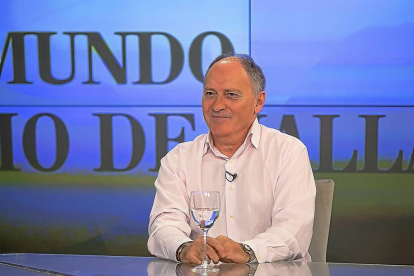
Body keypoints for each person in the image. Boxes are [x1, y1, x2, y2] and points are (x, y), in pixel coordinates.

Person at [147, 53, 316, 264]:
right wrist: (184, 248)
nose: (217, 105)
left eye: (231, 95)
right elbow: (163, 225)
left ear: (259, 102)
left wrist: (247, 251)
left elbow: (293, 231)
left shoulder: (288, 152)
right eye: (210, 93)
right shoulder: (178, 159)